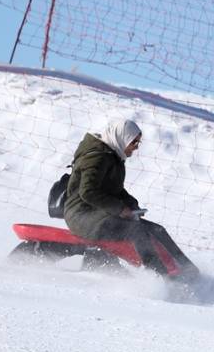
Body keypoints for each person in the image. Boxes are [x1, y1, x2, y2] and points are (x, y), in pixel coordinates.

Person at [63, 119, 198, 281]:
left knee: (157, 230)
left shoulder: (112, 155)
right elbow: (88, 192)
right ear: (122, 138)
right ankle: (161, 278)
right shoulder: (97, 158)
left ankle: (190, 271)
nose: (136, 146)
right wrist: (120, 209)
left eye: (138, 142)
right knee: (137, 232)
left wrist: (131, 205)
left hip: (99, 213)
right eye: (134, 141)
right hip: (82, 215)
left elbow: (114, 189)